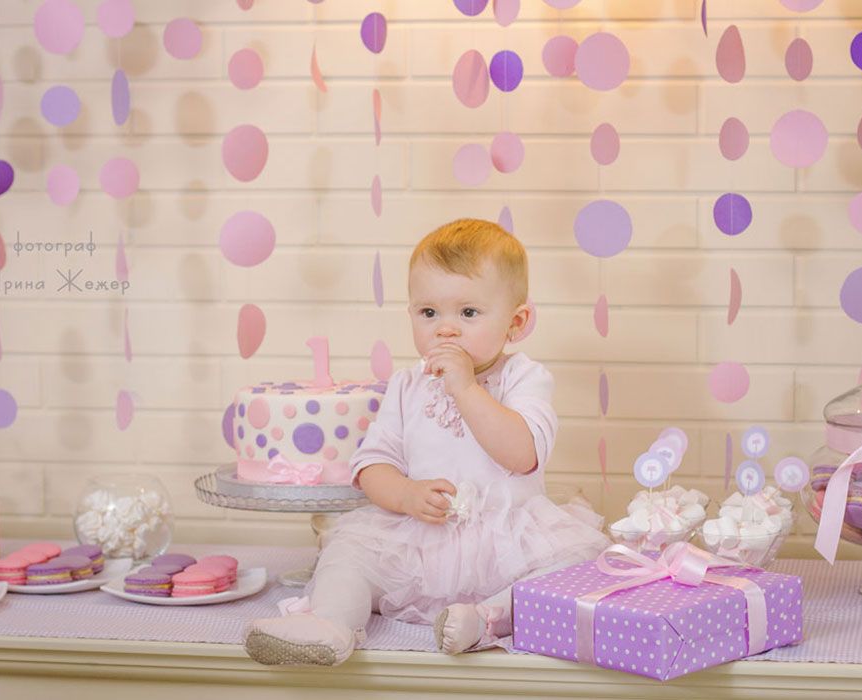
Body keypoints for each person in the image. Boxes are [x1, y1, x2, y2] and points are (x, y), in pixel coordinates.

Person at [245, 218, 610, 666]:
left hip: (506, 543)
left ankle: (488, 618)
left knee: (580, 563)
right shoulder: (407, 384)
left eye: (468, 313)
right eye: (429, 313)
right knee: (347, 552)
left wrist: (465, 388)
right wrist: (405, 494)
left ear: (515, 322)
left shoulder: (524, 377)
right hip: (419, 542)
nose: (445, 329)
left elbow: (522, 454)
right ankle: (329, 625)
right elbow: (372, 465)